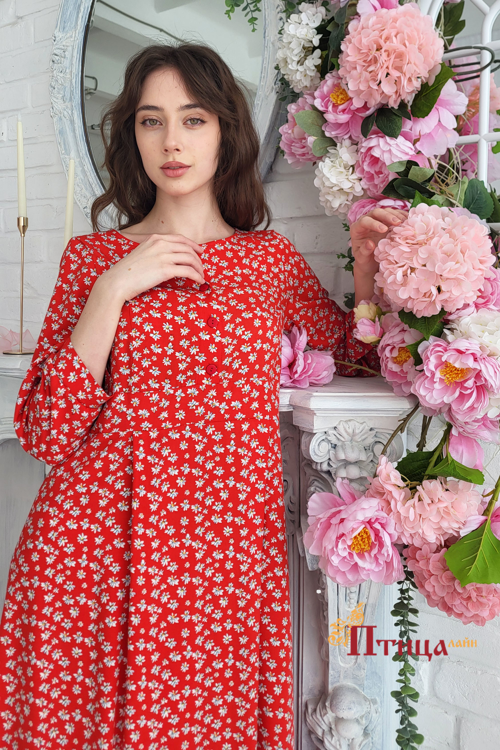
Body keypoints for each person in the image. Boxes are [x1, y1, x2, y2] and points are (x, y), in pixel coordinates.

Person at [0, 43, 406, 750]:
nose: (172, 141)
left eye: (193, 119)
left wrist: (367, 274)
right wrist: (113, 289)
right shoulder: (93, 260)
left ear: (224, 131)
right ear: (133, 135)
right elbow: (46, 431)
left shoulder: (268, 262)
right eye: (151, 121)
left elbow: (356, 358)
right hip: (96, 548)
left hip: (223, 555)